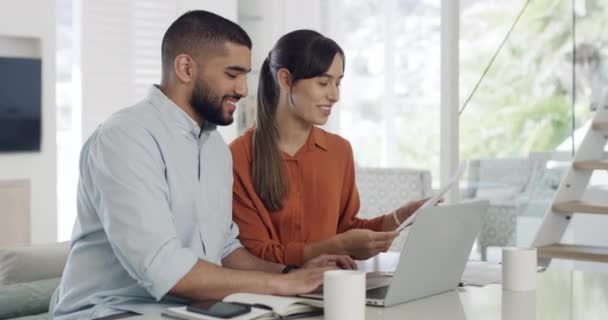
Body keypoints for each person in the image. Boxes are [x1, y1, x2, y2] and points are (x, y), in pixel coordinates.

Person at [53, 12, 354, 320]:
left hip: (190, 309)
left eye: (245, 76)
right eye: (232, 74)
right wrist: (283, 284)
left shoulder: (214, 148)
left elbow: (226, 249)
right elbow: (164, 268)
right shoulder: (125, 139)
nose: (243, 90)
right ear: (186, 68)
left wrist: (293, 271)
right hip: (109, 311)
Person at [230, 30, 429, 266]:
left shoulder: (339, 151)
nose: (334, 95)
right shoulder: (238, 156)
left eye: (338, 83)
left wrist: (398, 218)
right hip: (270, 296)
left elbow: (345, 232)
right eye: (323, 82)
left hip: (334, 289)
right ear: (285, 80)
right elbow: (254, 255)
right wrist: (332, 248)